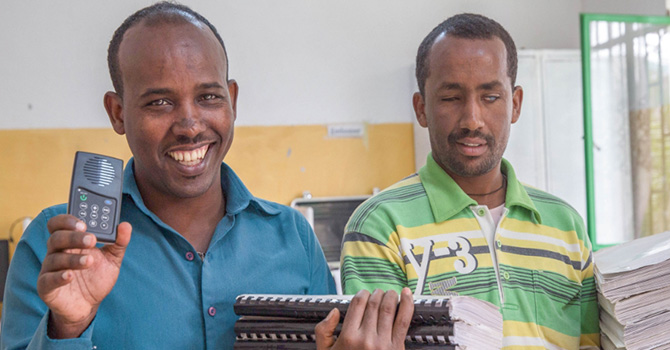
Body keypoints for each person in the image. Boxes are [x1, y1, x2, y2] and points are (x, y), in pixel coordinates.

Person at [0, 3, 412, 349]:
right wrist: (68, 328)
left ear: (232, 101)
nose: (190, 124)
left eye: (208, 97)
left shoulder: (292, 237)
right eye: (159, 102)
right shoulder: (59, 249)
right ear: (118, 112)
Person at [339, 13, 601, 349]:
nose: (472, 120)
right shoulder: (380, 225)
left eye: (490, 97)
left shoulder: (565, 225)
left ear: (515, 104)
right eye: (451, 98)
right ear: (421, 108)